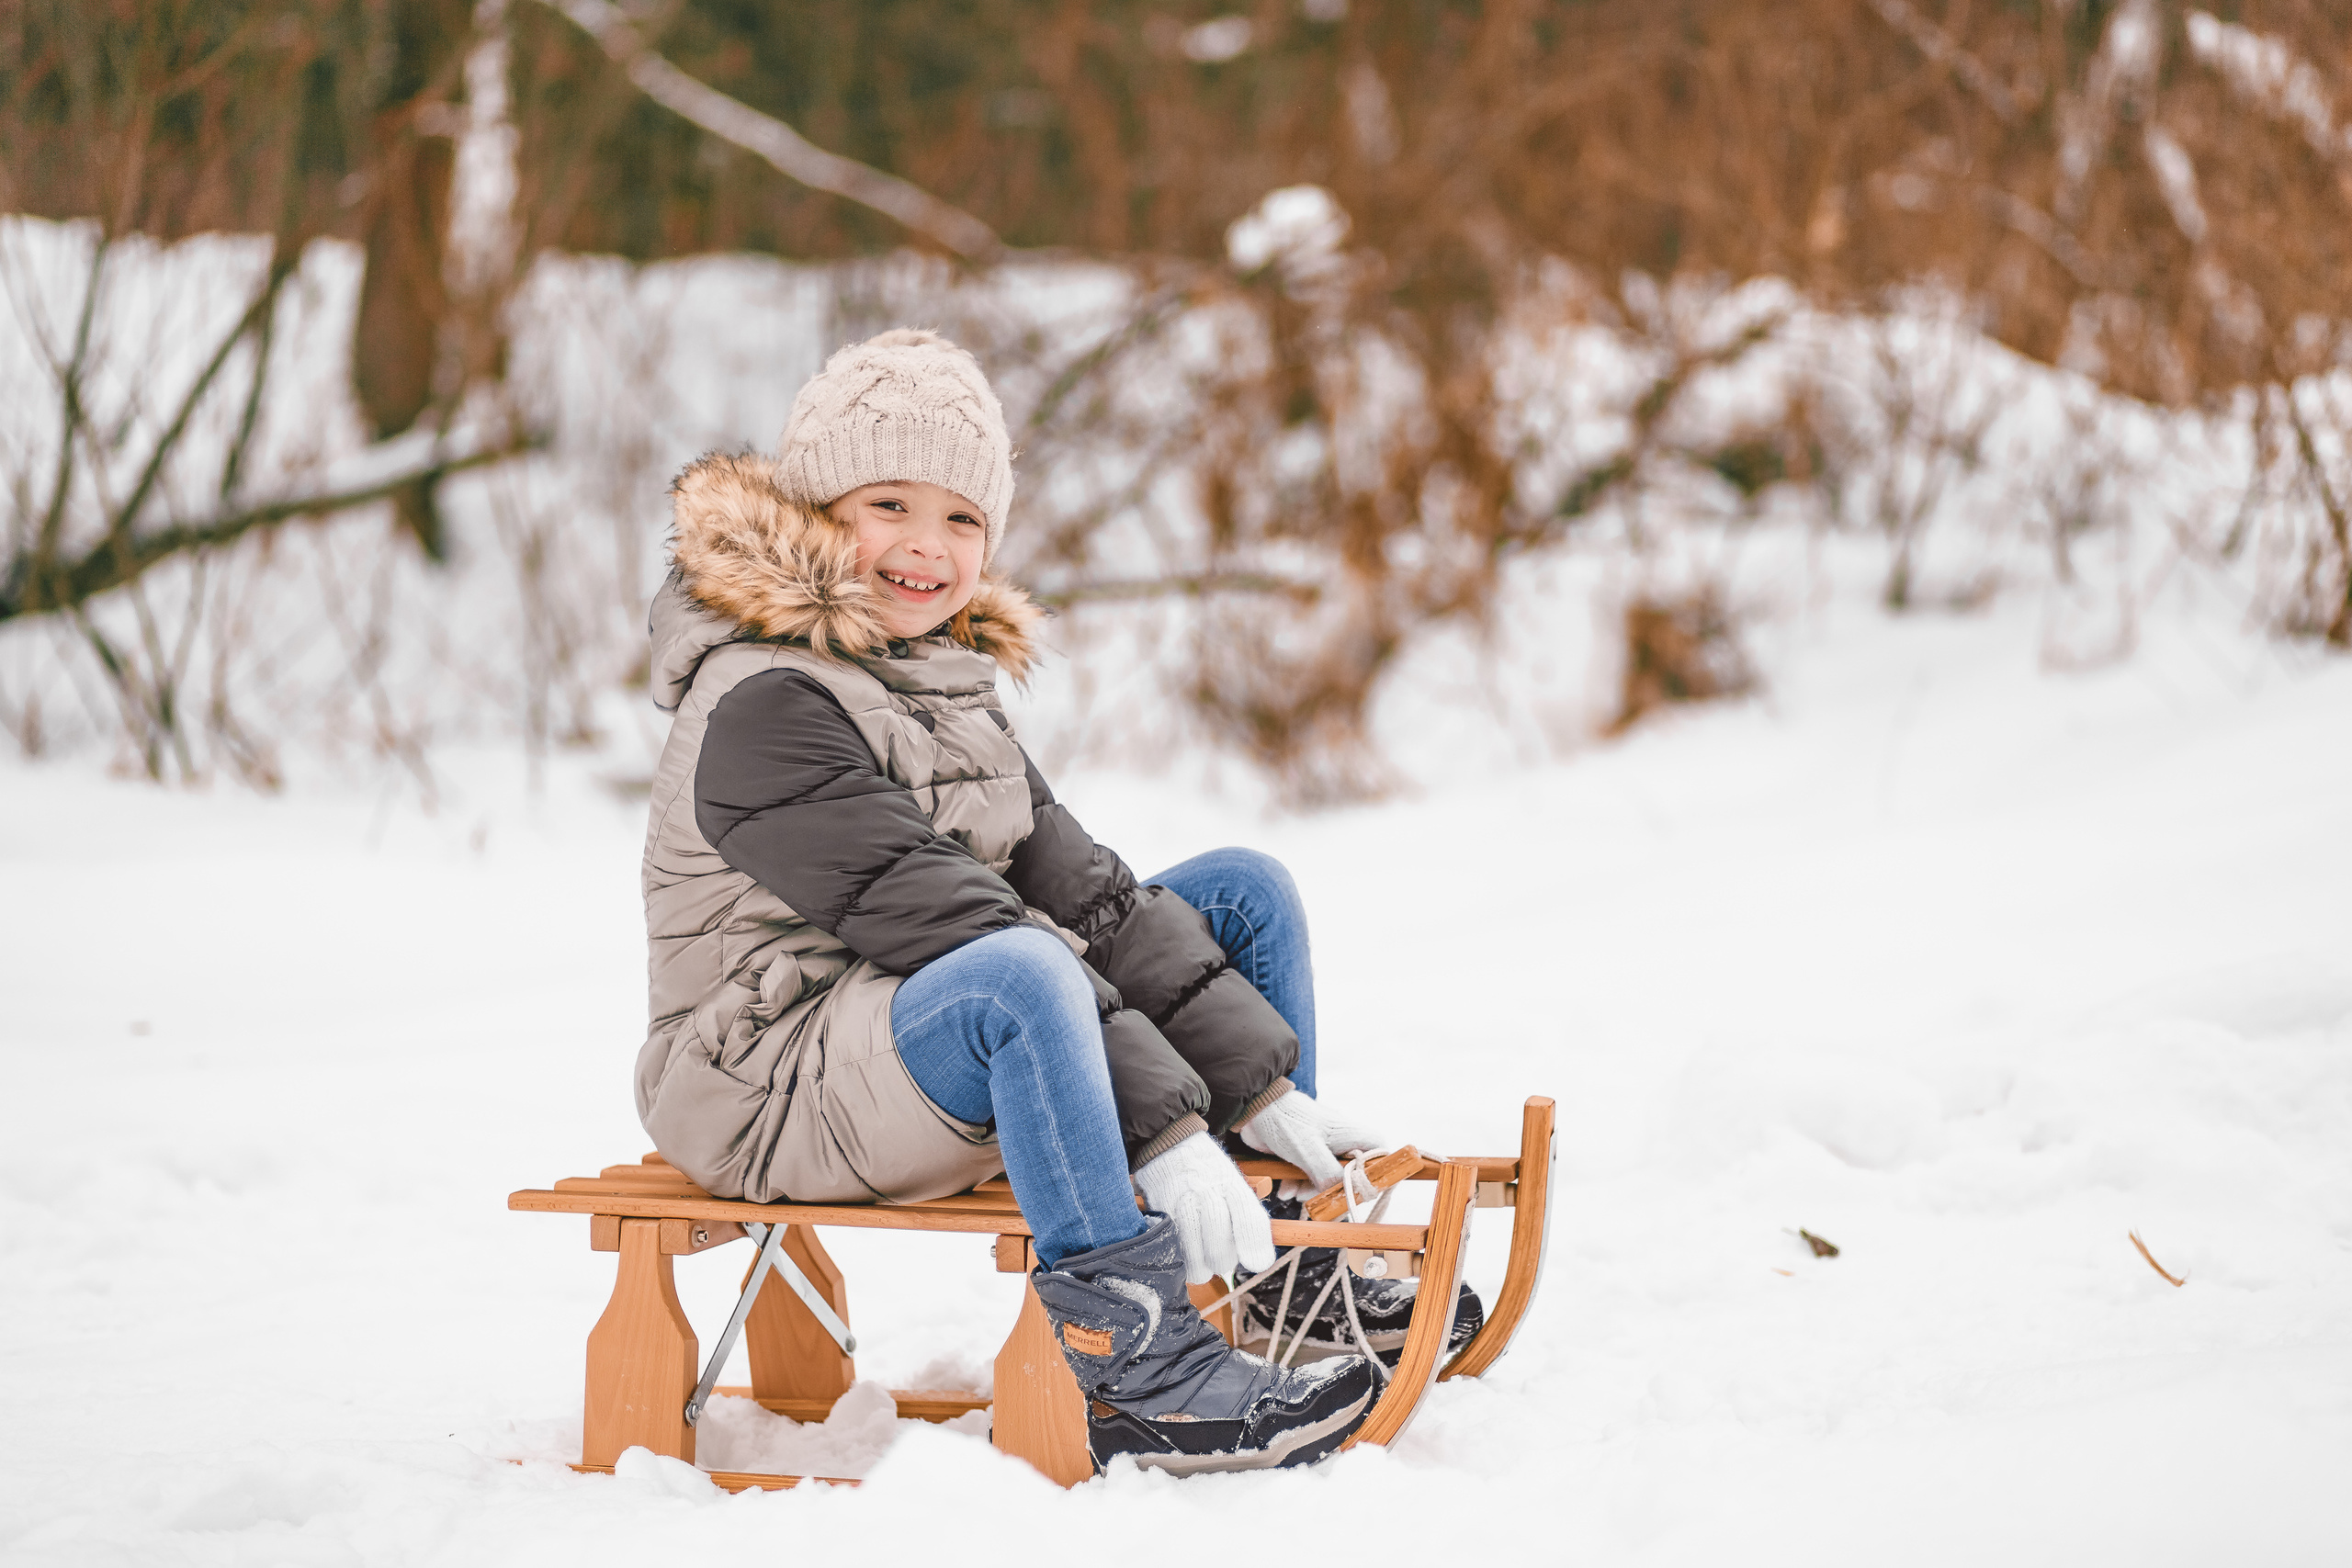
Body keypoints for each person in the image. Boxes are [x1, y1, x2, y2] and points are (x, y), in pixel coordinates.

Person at [636, 328, 1477, 1476]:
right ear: (812, 510)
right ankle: (1141, 1366)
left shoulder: (937, 682)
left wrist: (1256, 1092)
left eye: (962, 519)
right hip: (759, 1074)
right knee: (1018, 977)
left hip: (904, 1028)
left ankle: (1277, 1259)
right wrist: (1171, 1133)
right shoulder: (764, 704)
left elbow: (1086, 899)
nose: (926, 548)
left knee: (1239, 894)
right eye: (888, 503)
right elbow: (963, 926)